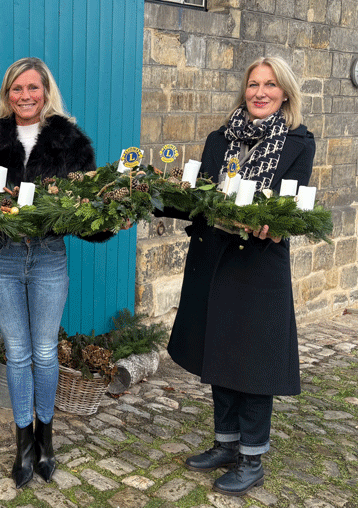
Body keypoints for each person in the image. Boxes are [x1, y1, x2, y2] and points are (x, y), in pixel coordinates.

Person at [164, 56, 315, 496]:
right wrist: (159, 197)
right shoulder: (219, 139)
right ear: (244, 90)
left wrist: (274, 221)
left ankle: (252, 457)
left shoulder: (297, 144)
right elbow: (203, 195)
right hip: (214, 261)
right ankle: (225, 445)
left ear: (284, 93)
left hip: (259, 266)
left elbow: (291, 204)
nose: (260, 92)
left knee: (252, 363)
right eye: (253, 84)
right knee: (220, 354)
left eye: (270, 85)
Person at [0, 57, 115, 489]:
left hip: (49, 257)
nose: (25, 96)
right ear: (7, 94)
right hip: (4, 258)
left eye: (33, 88)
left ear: (46, 93)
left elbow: (90, 204)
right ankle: (23, 442)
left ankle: (46, 437)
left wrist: (107, 219)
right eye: (17, 88)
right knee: (18, 351)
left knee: (45, 352)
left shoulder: (72, 143)